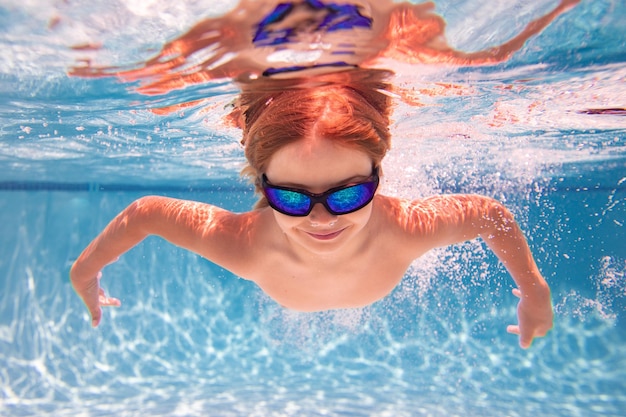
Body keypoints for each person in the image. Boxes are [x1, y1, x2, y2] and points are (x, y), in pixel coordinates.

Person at [70, 68, 553, 349]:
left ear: (378, 179)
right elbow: (148, 212)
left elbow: (490, 215)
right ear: (264, 185)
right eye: (292, 198)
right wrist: (84, 271)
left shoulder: (406, 228)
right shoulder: (246, 246)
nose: (322, 220)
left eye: (347, 195)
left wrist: (535, 292)